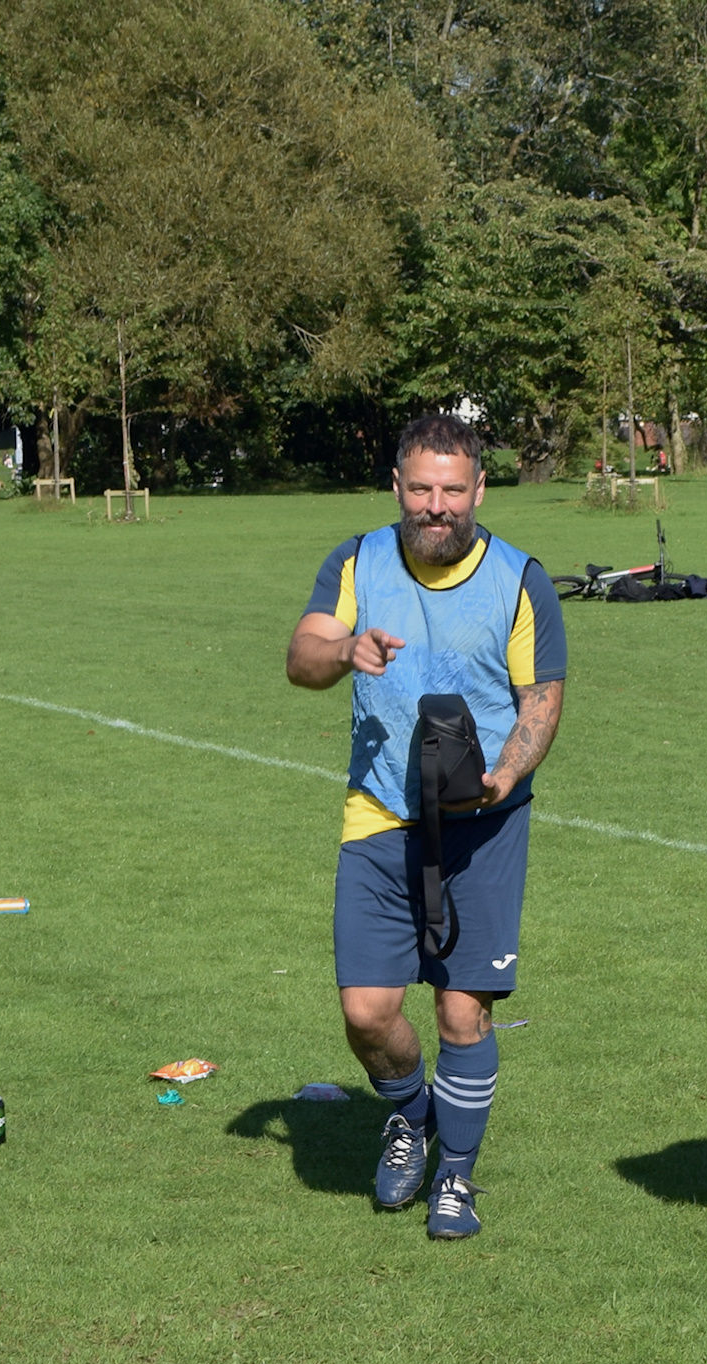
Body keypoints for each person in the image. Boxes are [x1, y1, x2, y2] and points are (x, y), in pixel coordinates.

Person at [285, 412, 568, 1241]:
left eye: (452, 489)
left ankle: (456, 1178)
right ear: (398, 488)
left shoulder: (520, 578)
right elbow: (302, 655)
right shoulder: (358, 561)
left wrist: (506, 773)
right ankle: (411, 1113)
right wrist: (344, 653)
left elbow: (540, 701)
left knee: (460, 1015)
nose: (435, 505)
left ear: (479, 489)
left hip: (484, 822)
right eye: (420, 489)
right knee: (368, 1011)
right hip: (379, 814)